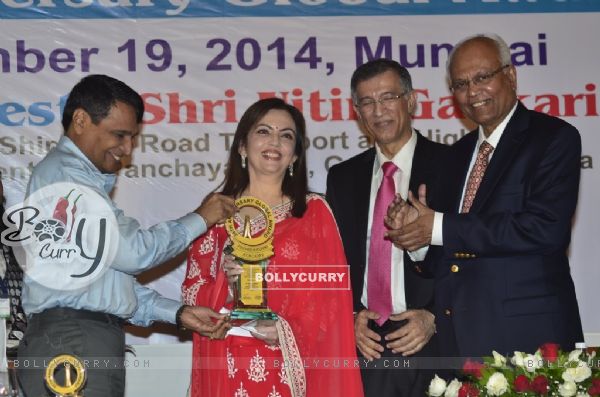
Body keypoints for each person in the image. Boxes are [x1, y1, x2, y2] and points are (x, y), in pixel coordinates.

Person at [16, 74, 235, 397]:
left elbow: (102, 285)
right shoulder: (67, 178)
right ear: (80, 120)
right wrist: (202, 218)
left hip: (76, 339)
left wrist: (176, 313)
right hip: (73, 341)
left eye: (132, 137)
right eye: (119, 135)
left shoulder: (70, 179)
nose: (128, 148)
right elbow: (134, 254)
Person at [388, 33, 584, 359]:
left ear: (510, 75)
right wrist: (418, 239)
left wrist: (437, 227)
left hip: (529, 342)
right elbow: (450, 256)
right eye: (461, 84)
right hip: (460, 343)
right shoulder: (454, 157)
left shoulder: (553, 138)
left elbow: (545, 230)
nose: (472, 92)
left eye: (482, 77)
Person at [183, 97, 363, 397]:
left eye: (286, 135)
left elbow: (334, 300)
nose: (274, 141)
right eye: (263, 131)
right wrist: (227, 287)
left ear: (294, 156)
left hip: (289, 367)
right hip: (226, 360)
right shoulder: (216, 211)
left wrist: (286, 329)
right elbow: (191, 290)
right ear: (242, 146)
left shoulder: (314, 213)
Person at [325, 59, 447, 397]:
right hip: (367, 346)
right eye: (367, 102)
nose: (379, 111)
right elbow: (334, 262)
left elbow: (471, 257)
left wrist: (434, 316)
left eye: (388, 97)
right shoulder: (343, 178)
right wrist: (348, 317)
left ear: (410, 101)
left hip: (432, 339)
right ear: (357, 112)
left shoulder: (450, 166)